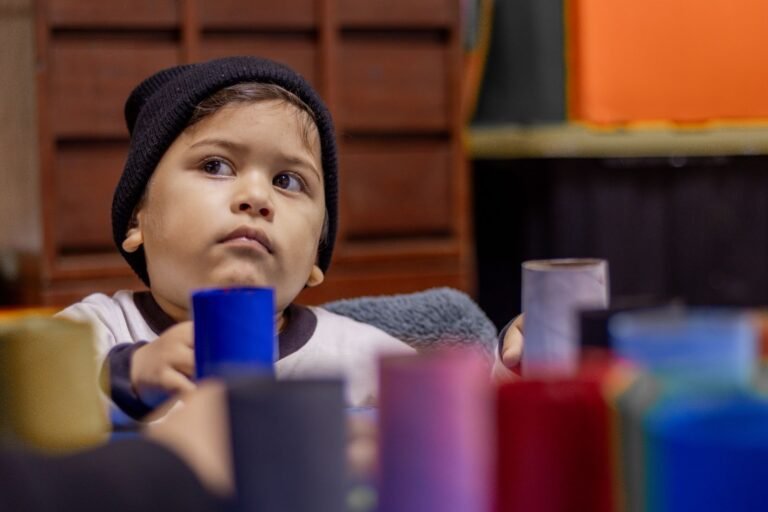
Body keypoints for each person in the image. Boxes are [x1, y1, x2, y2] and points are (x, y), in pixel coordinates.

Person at [56, 56, 522, 419]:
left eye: (288, 181)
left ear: (317, 255)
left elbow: (465, 429)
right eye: (216, 166)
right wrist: (127, 377)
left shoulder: (360, 356)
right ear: (136, 218)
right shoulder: (96, 332)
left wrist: (515, 370)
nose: (258, 197)